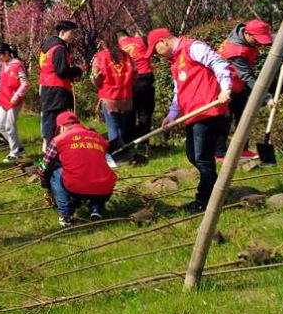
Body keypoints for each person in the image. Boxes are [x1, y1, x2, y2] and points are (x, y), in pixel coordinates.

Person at [146, 28, 232, 213]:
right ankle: (215, 191)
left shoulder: (193, 47)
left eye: (155, 50)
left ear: (163, 42)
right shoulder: (175, 62)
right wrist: (171, 116)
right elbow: (179, 92)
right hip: (192, 115)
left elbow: (218, 62)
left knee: (202, 159)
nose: (156, 55)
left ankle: (206, 201)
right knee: (194, 157)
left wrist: (225, 87)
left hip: (209, 112)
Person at [40, 111, 117, 226]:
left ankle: (66, 215)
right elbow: (110, 162)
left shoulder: (59, 139)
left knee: (56, 173)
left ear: (61, 127)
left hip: (76, 187)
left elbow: (44, 165)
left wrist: (41, 174)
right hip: (105, 187)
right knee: (98, 172)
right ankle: (96, 209)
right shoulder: (99, 138)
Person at [215, 18, 274, 160]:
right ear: (248, 35)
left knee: (243, 115)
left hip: (238, 83)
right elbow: (248, 76)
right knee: (224, 119)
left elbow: (273, 39)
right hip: (223, 86)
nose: (260, 44)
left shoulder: (244, 34)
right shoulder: (237, 50)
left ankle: (243, 149)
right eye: (258, 40)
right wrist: (266, 98)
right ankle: (219, 153)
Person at [38, 21, 84, 147]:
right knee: (57, 121)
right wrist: (78, 70)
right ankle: (54, 150)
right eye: (72, 33)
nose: (74, 36)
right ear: (62, 32)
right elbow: (62, 71)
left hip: (46, 87)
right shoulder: (59, 48)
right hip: (57, 89)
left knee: (48, 120)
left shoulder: (46, 46)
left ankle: (47, 146)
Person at [91, 35, 135, 162]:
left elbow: (96, 79)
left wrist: (96, 81)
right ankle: (124, 154)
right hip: (125, 97)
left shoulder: (100, 57)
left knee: (113, 127)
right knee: (121, 126)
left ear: (103, 42)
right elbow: (135, 73)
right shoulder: (126, 56)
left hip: (109, 97)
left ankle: (116, 158)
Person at [117, 29, 155, 139]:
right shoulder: (141, 40)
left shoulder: (117, 46)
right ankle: (144, 142)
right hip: (145, 78)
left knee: (129, 112)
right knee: (145, 112)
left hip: (129, 80)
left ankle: (130, 142)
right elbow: (152, 52)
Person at [0, 43, 28, 162]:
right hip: (4, 99)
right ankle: (18, 147)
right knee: (0, 126)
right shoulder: (4, 65)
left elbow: (25, 84)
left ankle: (14, 152)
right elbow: (2, 80)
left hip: (14, 100)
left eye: (0, 55)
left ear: (7, 54)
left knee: (9, 126)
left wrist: (17, 95)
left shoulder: (17, 66)